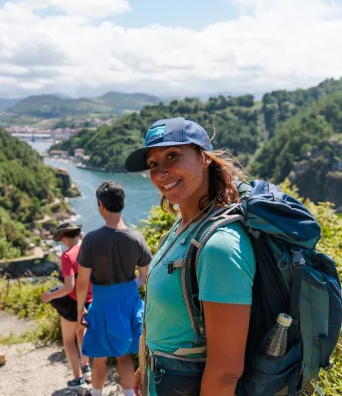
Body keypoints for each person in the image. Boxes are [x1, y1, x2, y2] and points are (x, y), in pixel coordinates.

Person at [124, 117, 255, 396]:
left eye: (173, 156)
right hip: (160, 378)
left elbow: (226, 371)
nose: (161, 172)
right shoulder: (183, 228)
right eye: (152, 164)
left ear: (204, 158)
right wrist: (144, 366)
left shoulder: (219, 246)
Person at [76, 181, 152, 396]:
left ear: (101, 205)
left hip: (101, 305)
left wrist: (80, 308)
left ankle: (97, 394)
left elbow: (82, 282)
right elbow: (145, 277)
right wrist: (127, 287)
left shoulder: (90, 240)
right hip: (129, 305)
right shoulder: (137, 238)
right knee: (124, 354)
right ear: (122, 203)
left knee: (99, 355)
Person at [40, 221, 94, 390]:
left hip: (73, 303)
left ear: (62, 237)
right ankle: (86, 368)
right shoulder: (89, 249)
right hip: (90, 300)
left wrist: (49, 296)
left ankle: (78, 379)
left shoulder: (67, 256)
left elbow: (69, 287)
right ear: (78, 233)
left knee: (68, 341)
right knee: (81, 333)